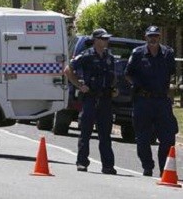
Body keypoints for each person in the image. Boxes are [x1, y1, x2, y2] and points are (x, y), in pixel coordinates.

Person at [125, 25, 178, 177]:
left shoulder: (168, 53)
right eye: (150, 36)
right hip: (143, 100)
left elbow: (172, 74)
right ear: (145, 37)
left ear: (159, 37)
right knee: (143, 138)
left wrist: (172, 91)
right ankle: (147, 166)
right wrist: (135, 85)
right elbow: (128, 74)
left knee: (168, 137)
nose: (153, 39)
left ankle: (165, 169)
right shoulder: (137, 53)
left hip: (162, 101)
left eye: (155, 36)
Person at [64, 28, 117, 175]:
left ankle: (108, 165)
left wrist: (114, 88)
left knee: (105, 134)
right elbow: (68, 70)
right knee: (85, 132)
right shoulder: (86, 55)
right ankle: (82, 162)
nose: (105, 41)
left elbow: (113, 76)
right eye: (102, 38)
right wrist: (80, 86)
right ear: (95, 40)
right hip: (90, 98)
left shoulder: (110, 57)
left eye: (107, 39)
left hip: (105, 99)